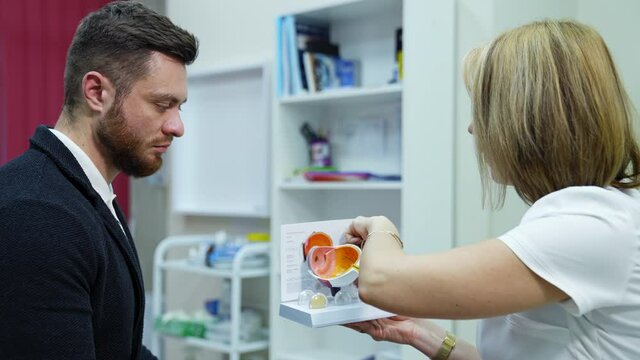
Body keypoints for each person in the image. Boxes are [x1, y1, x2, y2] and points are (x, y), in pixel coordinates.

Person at [344, 20, 640, 360]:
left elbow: (380, 281)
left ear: (529, 118)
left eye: (484, 111)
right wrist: (420, 334)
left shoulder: (594, 226)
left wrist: (381, 229)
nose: (473, 128)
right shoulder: (581, 218)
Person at [0, 2, 198, 359]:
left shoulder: (86, 192)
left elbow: (116, 344)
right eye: (161, 104)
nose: (177, 127)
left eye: (178, 107)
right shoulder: (38, 214)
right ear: (96, 92)